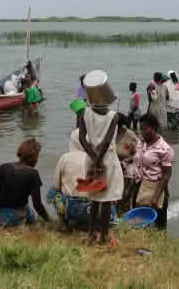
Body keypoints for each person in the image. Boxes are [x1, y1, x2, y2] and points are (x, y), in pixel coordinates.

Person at [77, 81, 124, 245]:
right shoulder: (113, 116)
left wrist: (93, 157)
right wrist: (99, 161)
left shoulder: (84, 113)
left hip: (90, 159)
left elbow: (82, 139)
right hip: (107, 160)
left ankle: (90, 233)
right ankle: (103, 235)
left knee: (95, 198)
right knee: (107, 199)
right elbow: (106, 141)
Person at [0, 139, 50, 227]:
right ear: (31, 157)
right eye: (37, 156)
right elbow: (37, 205)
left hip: (1, 216)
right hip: (17, 217)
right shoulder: (33, 173)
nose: (37, 160)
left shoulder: (4, 167)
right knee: (32, 215)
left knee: (28, 210)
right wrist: (48, 221)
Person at [134, 114, 174, 230]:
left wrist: (155, 197)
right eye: (140, 129)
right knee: (139, 224)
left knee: (159, 228)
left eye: (145, 128)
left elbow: (167, 175)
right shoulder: (141, 144)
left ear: (154, 128)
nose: (142, 132)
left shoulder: (164, 149)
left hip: (157, 190)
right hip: (141, 188)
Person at [48, 129, 92, 232]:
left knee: (52, 192)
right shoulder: (94, 158)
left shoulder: (65, 158)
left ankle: (64, 224)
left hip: (71, 208)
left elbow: (56, 186)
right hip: (93, 209)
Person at [116, 113, 140, 213]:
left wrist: (127, 160)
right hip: (114, 166)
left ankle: (124, 214)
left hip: (127, 166)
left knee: (125, 195)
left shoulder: (130, 135)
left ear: (119, 125)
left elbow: (138, 153)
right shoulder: (109, 134)